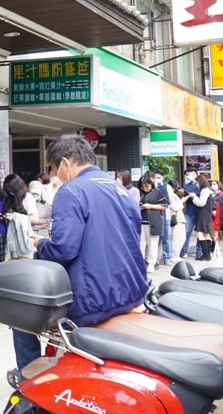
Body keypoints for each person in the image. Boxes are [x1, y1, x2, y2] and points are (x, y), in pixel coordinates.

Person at [13, 135, 146, 372]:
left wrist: (40, 244)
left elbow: (64, 249)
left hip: (96, 301)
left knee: (20, 317)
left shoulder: (71, 191)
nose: (56, 177)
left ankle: (29, 384)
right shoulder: (121, 190)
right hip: (133, 292)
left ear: (65, 162)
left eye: (54, 170)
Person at [1, 174, 38, 259]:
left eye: (11, 189)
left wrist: (15, 217)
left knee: (24, 268)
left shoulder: (27, 197)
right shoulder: (10, 198)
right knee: (13, 268)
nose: (10, 192)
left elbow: (35, 219)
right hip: (12, 239)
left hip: (24, 239)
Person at [138, 172, 169, 274]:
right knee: (140, 244)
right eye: (142, 186)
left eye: (146, 186)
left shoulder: (158, 192)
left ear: (150, 184)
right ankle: (141, 263)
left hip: (154, 222)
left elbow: (164, 205)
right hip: (141, 222)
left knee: (152, 245)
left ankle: (151, 264)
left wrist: (150, 206)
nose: (144, 188)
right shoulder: (139, 193)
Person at [189, 175, 216, 261]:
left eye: (196, 182)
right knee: (206, 234)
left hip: (202, 213)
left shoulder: (204, 191)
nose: (196, 184)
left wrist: (194, 197)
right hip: (207, 213)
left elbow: (201, 203)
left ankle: (205, 254)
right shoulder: (209, 190)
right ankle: (207, 255)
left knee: (199, 233)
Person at [180, 168, 201, 259]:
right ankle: (184, 251)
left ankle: (199, 251)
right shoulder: (186, 186)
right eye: (186, 175)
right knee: (186, 232)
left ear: (195, 174)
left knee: (200, 232)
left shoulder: (201, 185)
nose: (188, 176)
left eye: (189, 174)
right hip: (189, 211)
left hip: (200, 212)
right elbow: (185, 198)